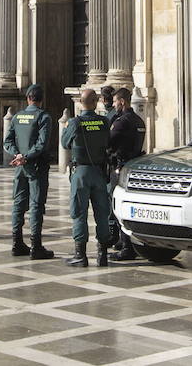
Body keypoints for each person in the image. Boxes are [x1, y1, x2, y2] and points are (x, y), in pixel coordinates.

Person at [60, 88, 114, 267]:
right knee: (102, 213)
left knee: (79, 213)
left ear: (81, 103)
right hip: (99, 172)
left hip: (81, 173)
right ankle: (103, 254)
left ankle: (80, 254)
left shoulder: (75, 123)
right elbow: (108, 142)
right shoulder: (104, 122)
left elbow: (64, 143)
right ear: (96, 102)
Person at [3, 84, 54, 260]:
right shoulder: (44, 117)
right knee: (36, 205)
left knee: (18, 203)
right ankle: (36, 245)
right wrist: (26, 156)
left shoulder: (18, 116)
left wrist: (17, 155)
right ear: (41, 99)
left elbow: (7, 141)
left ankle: (16, 242)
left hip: (20, 167)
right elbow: (42, 143)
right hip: (36, 166)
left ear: (28, 99)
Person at [107, 87, 146, 261]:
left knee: (118, 208)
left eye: (115, 101)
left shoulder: (121, 122)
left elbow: (109, 143)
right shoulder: (139, 120)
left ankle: (126, 246)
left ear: (122, 101)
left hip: (120, 168)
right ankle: (127, 243)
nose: (114, 104)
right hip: (133, 167)